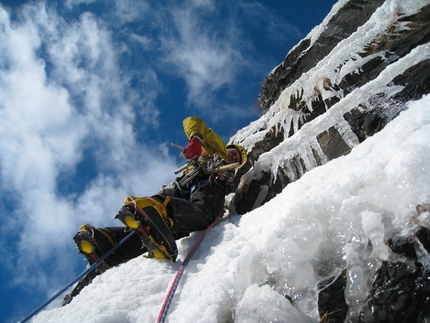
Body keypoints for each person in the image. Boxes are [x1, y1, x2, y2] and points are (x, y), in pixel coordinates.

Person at [62, 116, 246, 305]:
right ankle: (133, 229)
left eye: (237, 159)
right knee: (199, 214)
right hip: (195, 189)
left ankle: (108, 242)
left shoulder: (228, 174)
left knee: (151, 228)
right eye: (233, 153)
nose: (232, 157)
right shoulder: (218, 148)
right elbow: (192, 121)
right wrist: (197, 138)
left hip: (186, 193)